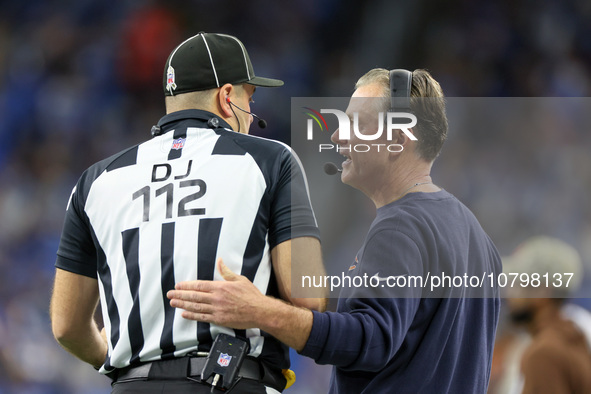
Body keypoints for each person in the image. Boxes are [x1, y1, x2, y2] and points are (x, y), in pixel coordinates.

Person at [168, 68, 502, 393]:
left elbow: (369, 340)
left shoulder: (400, 226)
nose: (337, 136)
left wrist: (259, 310)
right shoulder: (479, 240)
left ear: (398, 139)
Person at [49, 32, 325, 394]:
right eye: (249, 96)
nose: (252, 111)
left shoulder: (96, 180)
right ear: (227, 97)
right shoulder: (271, 159)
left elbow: (66, 326)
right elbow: (307, 295)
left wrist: (117, 361)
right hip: (233, 381)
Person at [503, 236, 591, 394]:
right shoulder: (575, 337)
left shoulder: (543, 354)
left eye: (517, 282)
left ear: (542, 291)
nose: (509, 293)